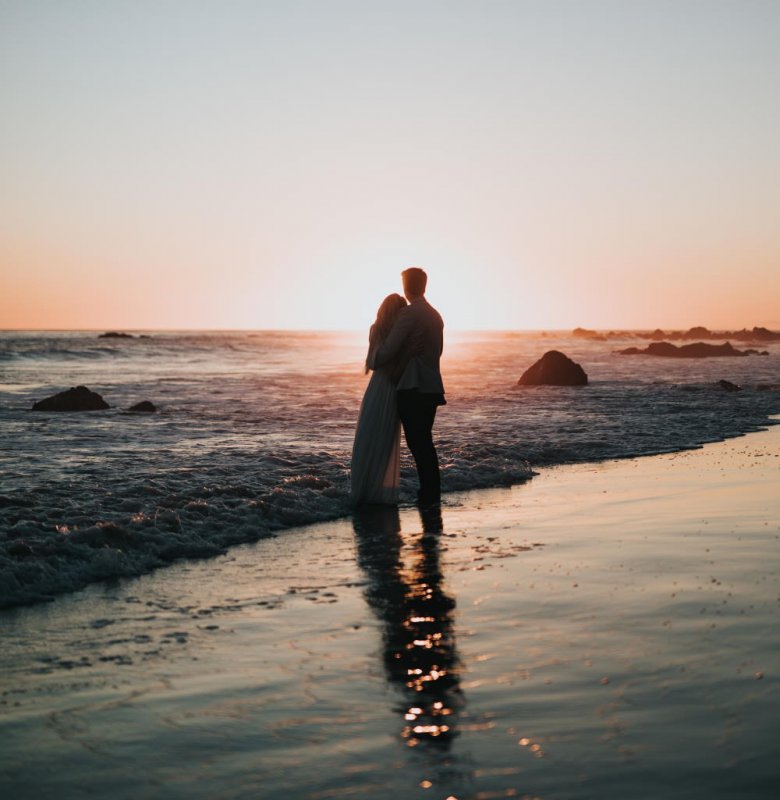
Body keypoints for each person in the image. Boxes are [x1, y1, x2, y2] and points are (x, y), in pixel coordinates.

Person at [374, 267, 445, 505]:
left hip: (412, 388)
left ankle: (429, 495)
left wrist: (377, 352)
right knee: (425, 442)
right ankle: (431, 492)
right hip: (433, 387)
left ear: (406, 287)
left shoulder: (409, 314)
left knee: (418, 444)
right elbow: (438, 353)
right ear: (424, 286)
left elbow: (387, 352)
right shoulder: (435, 315)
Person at [350, 293, 408, 505]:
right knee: (382, 437)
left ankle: (367, 489)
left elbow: (373, 362)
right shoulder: (384, 330)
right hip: (391, 387)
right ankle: (373, 490)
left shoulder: (388, 331)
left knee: (372, 436)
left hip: (380, 387)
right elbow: (373, 361)